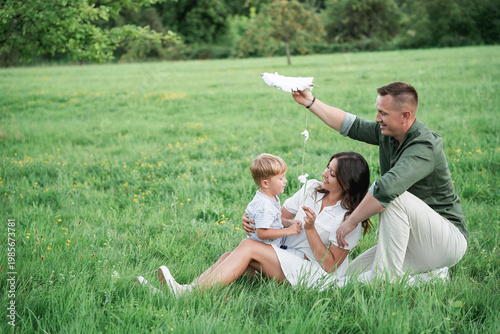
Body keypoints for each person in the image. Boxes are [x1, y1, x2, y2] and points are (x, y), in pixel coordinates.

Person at [291, 81, 468, 281]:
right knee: (349, 276)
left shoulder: (424, 146)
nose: (377, 119)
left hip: (446, 240)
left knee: (393, 196)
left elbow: (386, 189)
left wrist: (351, 221)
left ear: (405, 116)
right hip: (414, 240)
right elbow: (350, 125)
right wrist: (310, 101)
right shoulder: (388, 133)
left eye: (383, 113)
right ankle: (432, 278)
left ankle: (386, 283)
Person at [156, 152, 370, 296]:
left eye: (332, 173)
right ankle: (184, 290)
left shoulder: (350, 218)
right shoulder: (312, 188)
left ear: (348, 182)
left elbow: (330, 266)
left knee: (248, 247)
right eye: (327, 168)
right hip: (288, 256)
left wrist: (310, 229)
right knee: (229, 257)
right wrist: (252, 220)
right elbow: (278, 216)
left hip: (316, 276)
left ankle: (186, 294)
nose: (324, 173)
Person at [244, 153, 302, 246]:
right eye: (281, 178)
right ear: (266, 184)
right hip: (262, 249)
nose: (285, 180)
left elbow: (274, 220)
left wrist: (289, 223)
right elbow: (262, 233)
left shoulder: (270, 197)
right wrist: (287, 231)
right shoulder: (264, 205)